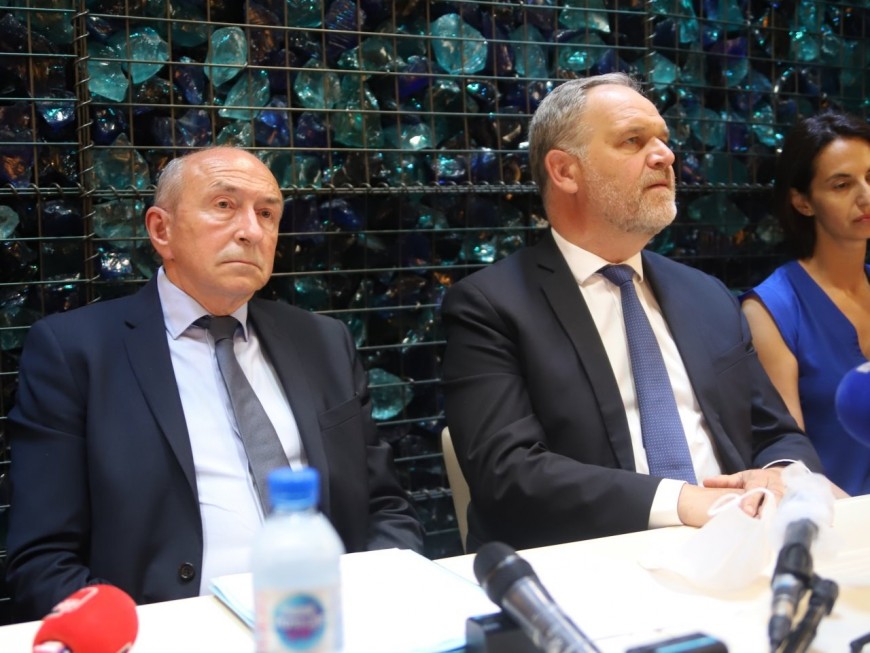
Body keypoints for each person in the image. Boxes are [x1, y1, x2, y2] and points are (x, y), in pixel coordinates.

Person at [6, 146, 423, 621]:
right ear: (161, 230)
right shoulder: (76, 352)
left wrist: (374, 602)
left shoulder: (323, 342)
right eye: (225, 205)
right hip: (163, 629)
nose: (251, 231)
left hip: (328, 619)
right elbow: (42, 559)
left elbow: (387, 507)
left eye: (267, 214)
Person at [441, 73, 826, 552]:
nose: (665, 155)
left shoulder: (707, 295)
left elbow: (777, 433)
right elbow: (507, 472)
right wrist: (680, 501)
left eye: (663, 140)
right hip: (591, 564)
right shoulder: (489, 305)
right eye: (633, 140)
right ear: (565, 171)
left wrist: (779, 476)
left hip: (739, 548)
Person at [741, 112, 870, 496]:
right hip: (833, 517)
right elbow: (787, 459)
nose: (865, 195)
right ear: (802, 201)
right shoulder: (772, 309)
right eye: (842, 184)